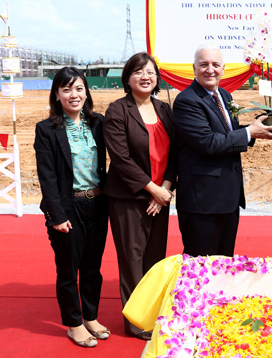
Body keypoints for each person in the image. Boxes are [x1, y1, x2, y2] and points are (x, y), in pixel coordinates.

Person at [172, 44, 272, 257]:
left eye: (215, 64)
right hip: (202, 202)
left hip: (228, 198)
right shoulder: (187, 100)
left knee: (224, 263)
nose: (210, 70)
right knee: (201, 267)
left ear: (223, 69)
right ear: (194, 68)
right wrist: (249, 132)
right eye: (204, 65)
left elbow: (227, 132)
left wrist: (257, 129)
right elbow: (208, 142)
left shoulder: (224, 95)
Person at [103, 52, 176, 340]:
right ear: (127, 78)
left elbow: (175, 153)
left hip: (161, 196)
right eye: (138, 71)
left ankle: (154, 313)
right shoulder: (117, 110)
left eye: (150, 72)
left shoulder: (165, 109)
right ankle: (136, 322)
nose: (145, 76)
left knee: (155, 260)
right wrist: (153, 189)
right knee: (132, 260)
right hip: (129, 198)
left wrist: (166, 189)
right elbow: (120, 159)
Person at [34, 67, 109, 348]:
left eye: (78, 88)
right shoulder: (47, 129)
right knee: (69, 270)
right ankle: (74, 324)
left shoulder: (98, 123)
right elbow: (47, 177)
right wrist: (56, 215)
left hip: (98, 204)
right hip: (68, 208)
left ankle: (90, 317)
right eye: (66, 89)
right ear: (57, 94)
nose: (73, 94)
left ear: (86, 91)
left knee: (93, 268)